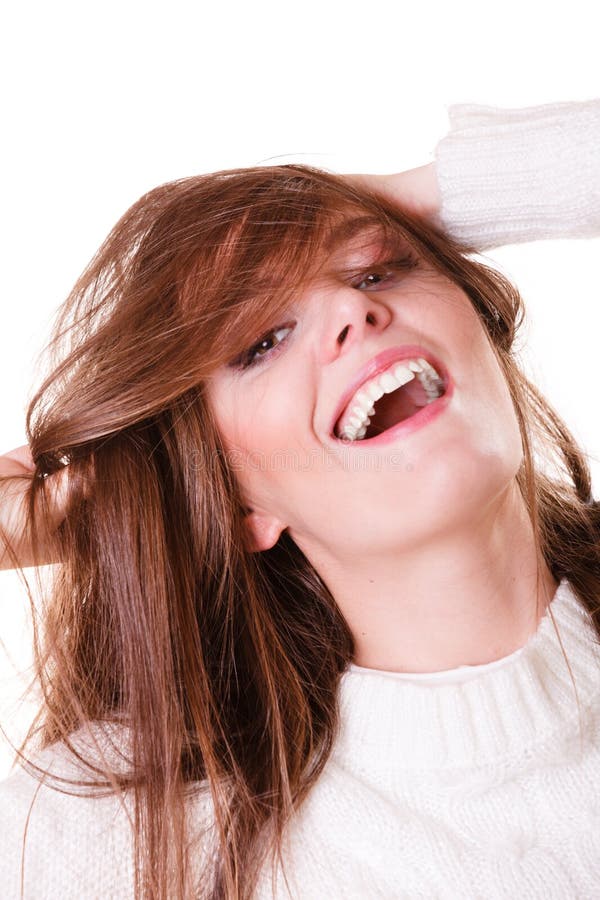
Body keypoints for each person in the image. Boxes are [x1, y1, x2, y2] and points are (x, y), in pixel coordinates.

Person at [0, 99, 599, 900]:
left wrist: (429, 195)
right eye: (260, 342)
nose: (354, 308)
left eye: (378, 269)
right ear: (237, 502)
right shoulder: (120, 827)